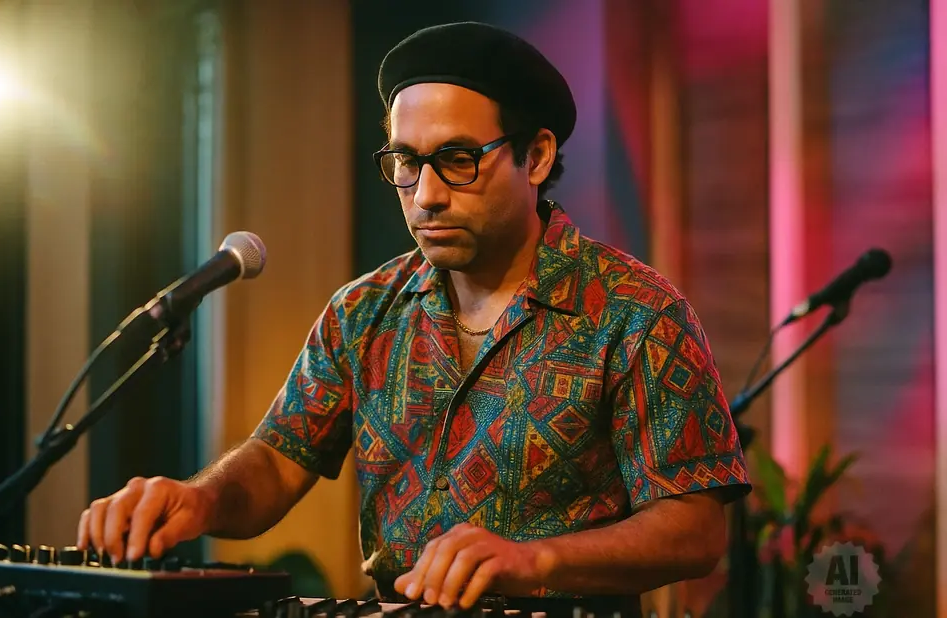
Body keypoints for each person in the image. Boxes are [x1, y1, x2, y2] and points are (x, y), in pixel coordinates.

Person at [76, 21, 750, 617]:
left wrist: (535, 559)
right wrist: (200, 500)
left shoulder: (637, 311)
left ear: (537, 156)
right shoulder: (363, 311)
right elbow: (277, 465)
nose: (426, 195)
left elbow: (695, 530)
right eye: (405, 162)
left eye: (458, 160)